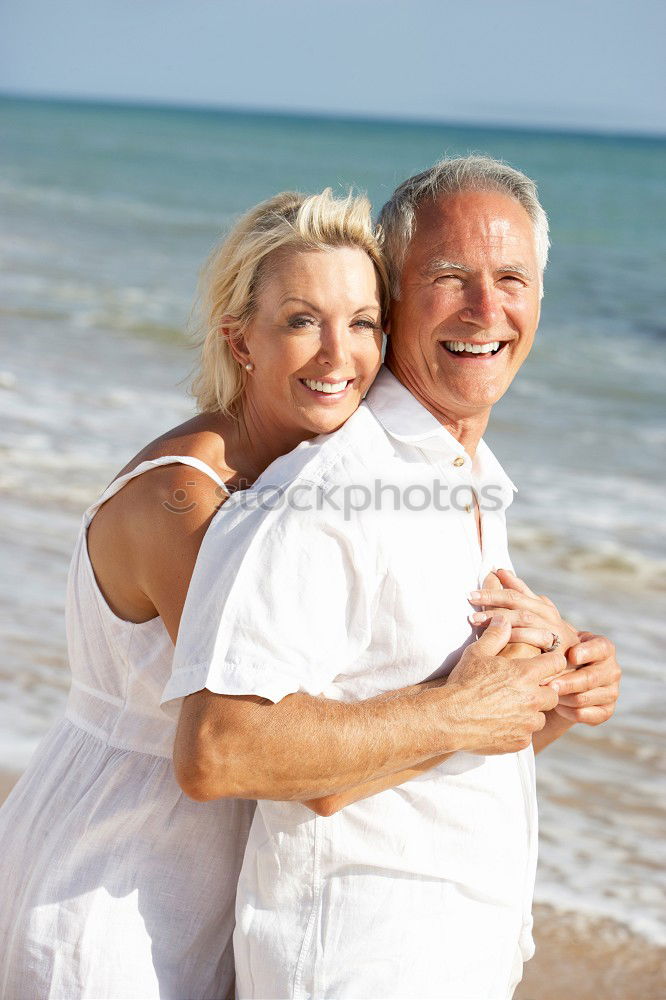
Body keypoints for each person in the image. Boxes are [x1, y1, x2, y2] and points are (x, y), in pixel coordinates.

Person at [167, 157, 621, 1000]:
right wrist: (456, 708)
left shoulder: (469, 473)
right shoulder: (329, 488)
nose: (488, 310)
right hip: (357, 964)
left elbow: (436, 735)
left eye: (511, 278)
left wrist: (550, 696)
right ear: (397, 298)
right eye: (451, 279)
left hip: (462, 959)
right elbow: (217, 748)